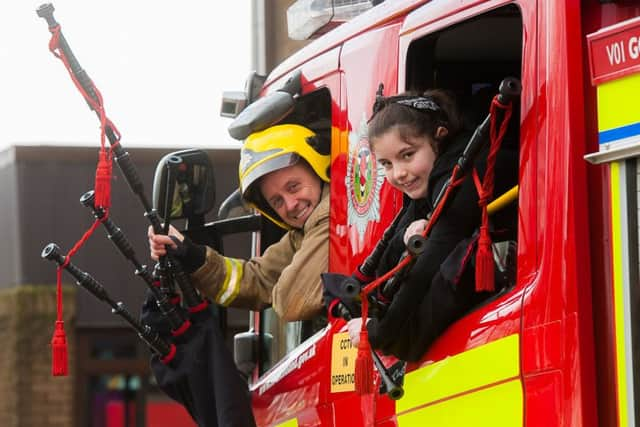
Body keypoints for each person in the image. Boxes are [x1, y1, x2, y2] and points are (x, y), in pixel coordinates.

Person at [346, 89, 518, 362]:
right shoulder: (433, 175)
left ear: (439, 136)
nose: (399, 173)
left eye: (407, 155)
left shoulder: (465, 172)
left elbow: (431, 261)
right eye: (386, 164)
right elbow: (393, 245)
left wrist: (379, 332)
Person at [148, 123, 331, 321]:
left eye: (294, 187)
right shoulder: (301, 234)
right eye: (277, 201)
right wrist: (192, 255)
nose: (290, 204)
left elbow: (292, 302)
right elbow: (260, 279)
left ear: (318, 167)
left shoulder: (331, 217)